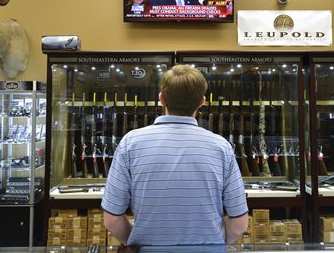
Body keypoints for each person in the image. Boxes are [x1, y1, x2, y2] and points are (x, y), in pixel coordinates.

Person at [102, 64, 249, 246]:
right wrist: (214, 245)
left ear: (161, 99)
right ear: (201, 101)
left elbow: (112, 219)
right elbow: (240, 223)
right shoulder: (221, 147)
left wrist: (138, 243)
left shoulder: (129, 143)